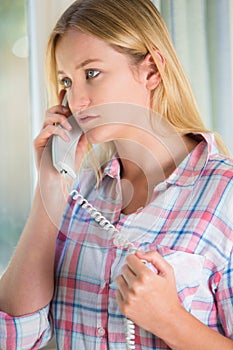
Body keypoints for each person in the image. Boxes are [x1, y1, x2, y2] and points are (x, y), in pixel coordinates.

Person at [0, 0, 233, 349]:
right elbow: (15, 336)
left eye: (91, 73)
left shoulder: (224, 192)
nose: (76, 100)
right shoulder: (79, 192)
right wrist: (50, 184)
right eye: (67, 80)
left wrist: (169, 320)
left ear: (151, 71)